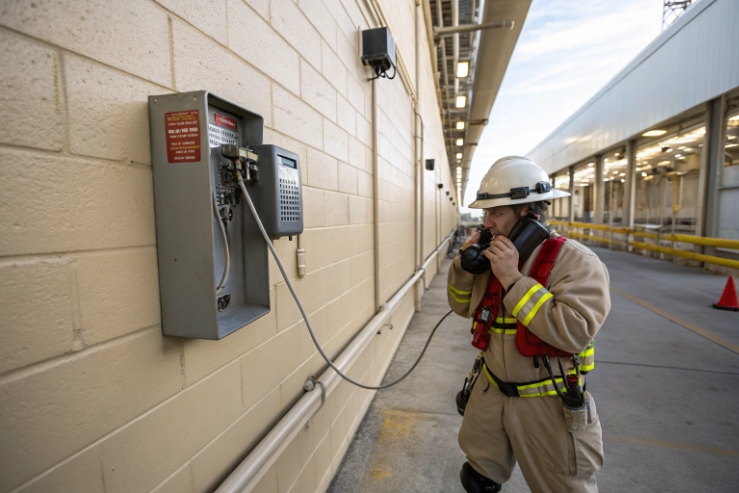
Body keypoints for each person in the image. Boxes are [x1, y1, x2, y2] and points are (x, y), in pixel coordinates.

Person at [447, 156, 611, 493]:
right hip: (491, 389)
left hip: (547, 401)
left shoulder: (576, 262)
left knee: (565, 487)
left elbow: (575, 331)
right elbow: (462, 306)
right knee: (477, 479)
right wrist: (465, 267)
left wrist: (513, 279)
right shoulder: (492, 253)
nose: (487, 223)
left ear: (527, 214)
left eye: (496, 213)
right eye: (485, 214)